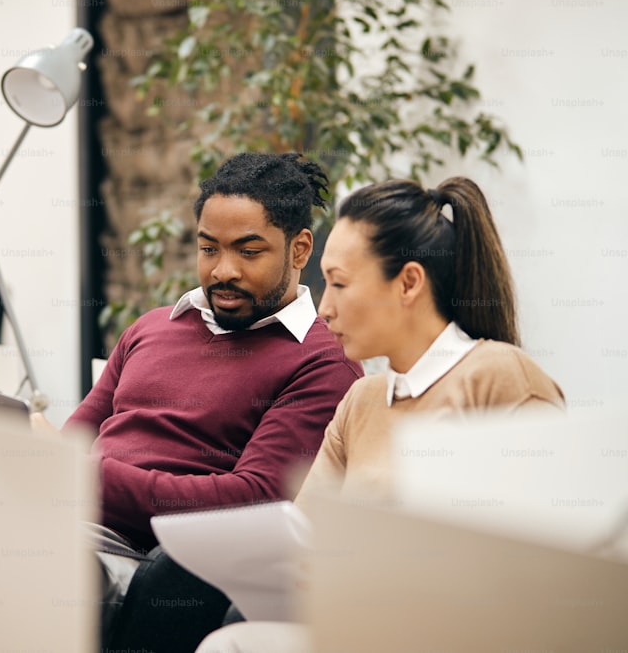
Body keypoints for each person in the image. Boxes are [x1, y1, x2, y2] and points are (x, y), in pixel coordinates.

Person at [195, 175, 565, 653]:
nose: (324, 308)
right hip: (360, 625)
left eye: (340, 284)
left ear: (409, 282)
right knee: (230, 640)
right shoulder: (362, 400)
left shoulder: (501, 377)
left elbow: (544, 569)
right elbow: (303, 544)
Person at [37, 151, 363, 652]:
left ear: (299, 250)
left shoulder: (322, 364)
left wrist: (81, 477)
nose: (223, 271)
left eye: (248, 252)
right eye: (209, 249)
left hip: (148, 562)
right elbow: (74, 441)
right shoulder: (151, 327)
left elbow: (250, 503)